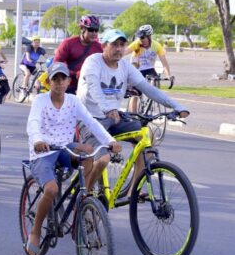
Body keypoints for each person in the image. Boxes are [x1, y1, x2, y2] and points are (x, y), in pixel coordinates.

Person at [25, 61, 121, 255]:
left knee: (87, 156)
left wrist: (110, 141)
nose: (59, 83)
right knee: (51, 189)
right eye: (55, 79)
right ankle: (35, 231)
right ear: (48, 82)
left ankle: (82, 203)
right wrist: (37, 140)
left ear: (69, 81)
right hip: (43, 151)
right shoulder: (41, 101)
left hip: (65, 147)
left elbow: (91, 123)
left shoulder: (73, 101)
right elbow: (33, 123)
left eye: (63, 79)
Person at [76, 29, 189, 194]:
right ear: (104, 46)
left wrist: (176, 106)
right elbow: (94, 88)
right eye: (114, 44)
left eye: (122, 45)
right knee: (103, 160)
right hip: (90, 119)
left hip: (114, 117)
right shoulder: (93, 62)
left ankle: (133, 192)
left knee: (146, 137)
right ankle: (85, 196)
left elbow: (147, 88)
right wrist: (108, 108)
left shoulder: (125, 66)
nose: (119, 49)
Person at [124, 24, 173, 112]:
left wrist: (168, 75)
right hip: (137, 69)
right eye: (139, 37)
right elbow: (124, 52)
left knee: (155, 80)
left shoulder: (156, 46)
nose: (140, 39)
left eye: (143, 37)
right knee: (136, 94)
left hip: (149, 69)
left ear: (149, 36)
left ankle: (150, 101)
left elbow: (164, 63)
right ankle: (133, 115)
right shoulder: (137, 44)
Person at [53, 14, 103, 95]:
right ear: (82, 29)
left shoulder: (99, 47)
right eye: (91, 30)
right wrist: (75, 74)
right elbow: (56, 64)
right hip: (68, 86)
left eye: (96, 30)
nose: (94, 33)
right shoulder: (68, 43)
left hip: (88, 87)